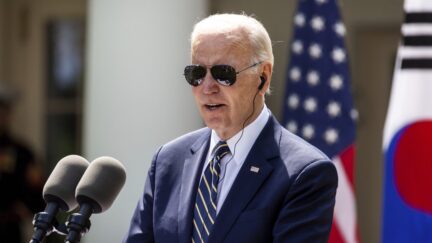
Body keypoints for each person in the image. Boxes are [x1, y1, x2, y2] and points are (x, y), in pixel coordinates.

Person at [124, 13, 337, 243]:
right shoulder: (168, 160)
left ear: (263, 77)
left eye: (223, 73)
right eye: (196, 74)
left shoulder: (306, 172)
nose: (207, 87)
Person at [0, 84, 45, 242]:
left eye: (3, 111)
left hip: (8, 231)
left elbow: (37, 193)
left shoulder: (22, 152)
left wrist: (24, 207)